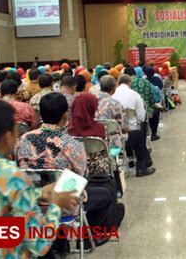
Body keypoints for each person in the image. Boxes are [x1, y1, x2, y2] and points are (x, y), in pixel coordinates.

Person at [0, 99, 79, 258]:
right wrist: (55, 205)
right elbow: (40, 243)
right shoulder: (11, 175)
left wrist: (37, 193)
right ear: (8, 136)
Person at [16, 93, 123, 242]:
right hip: (64, 203)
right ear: (65, 115)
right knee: (106, 193)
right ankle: (92, 236)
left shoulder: (23, 139)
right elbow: (81, 178)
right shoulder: (72, 145)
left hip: (32, 201)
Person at [112, 75, 156, 177]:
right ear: (129, 83)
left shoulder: (112, 96)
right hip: (127, 133)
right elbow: (141, 117)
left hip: (112, 134)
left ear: (118, 83)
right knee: (140, 133)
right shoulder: (135, 95)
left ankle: (131, 158)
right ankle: (141, 167)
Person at [96, 75, 125, 149]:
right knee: (138, 135)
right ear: (113, 88)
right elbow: (121, 125)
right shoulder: (115, 103)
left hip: (95, 141)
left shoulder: (91, 100)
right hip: (112, 142)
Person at [145, 67, 163, 141]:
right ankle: (154, 134)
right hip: (151, 105)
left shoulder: (144, 81)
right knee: (155, 110)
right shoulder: (157, 79)